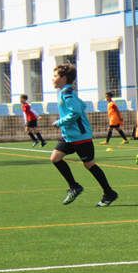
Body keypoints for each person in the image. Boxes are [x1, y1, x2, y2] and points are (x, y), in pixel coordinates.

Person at [48, 64, 118, 206]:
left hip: (80, 136)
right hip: (69, 136)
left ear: (64, 78)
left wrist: (60, 122)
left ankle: (109, 193)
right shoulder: (65, 92)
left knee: (89, 164)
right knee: (55, 158)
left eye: (55, 76)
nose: (53, 78)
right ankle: (74, 187)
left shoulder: (67, 94)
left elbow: (76, 112)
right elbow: (82, 105)